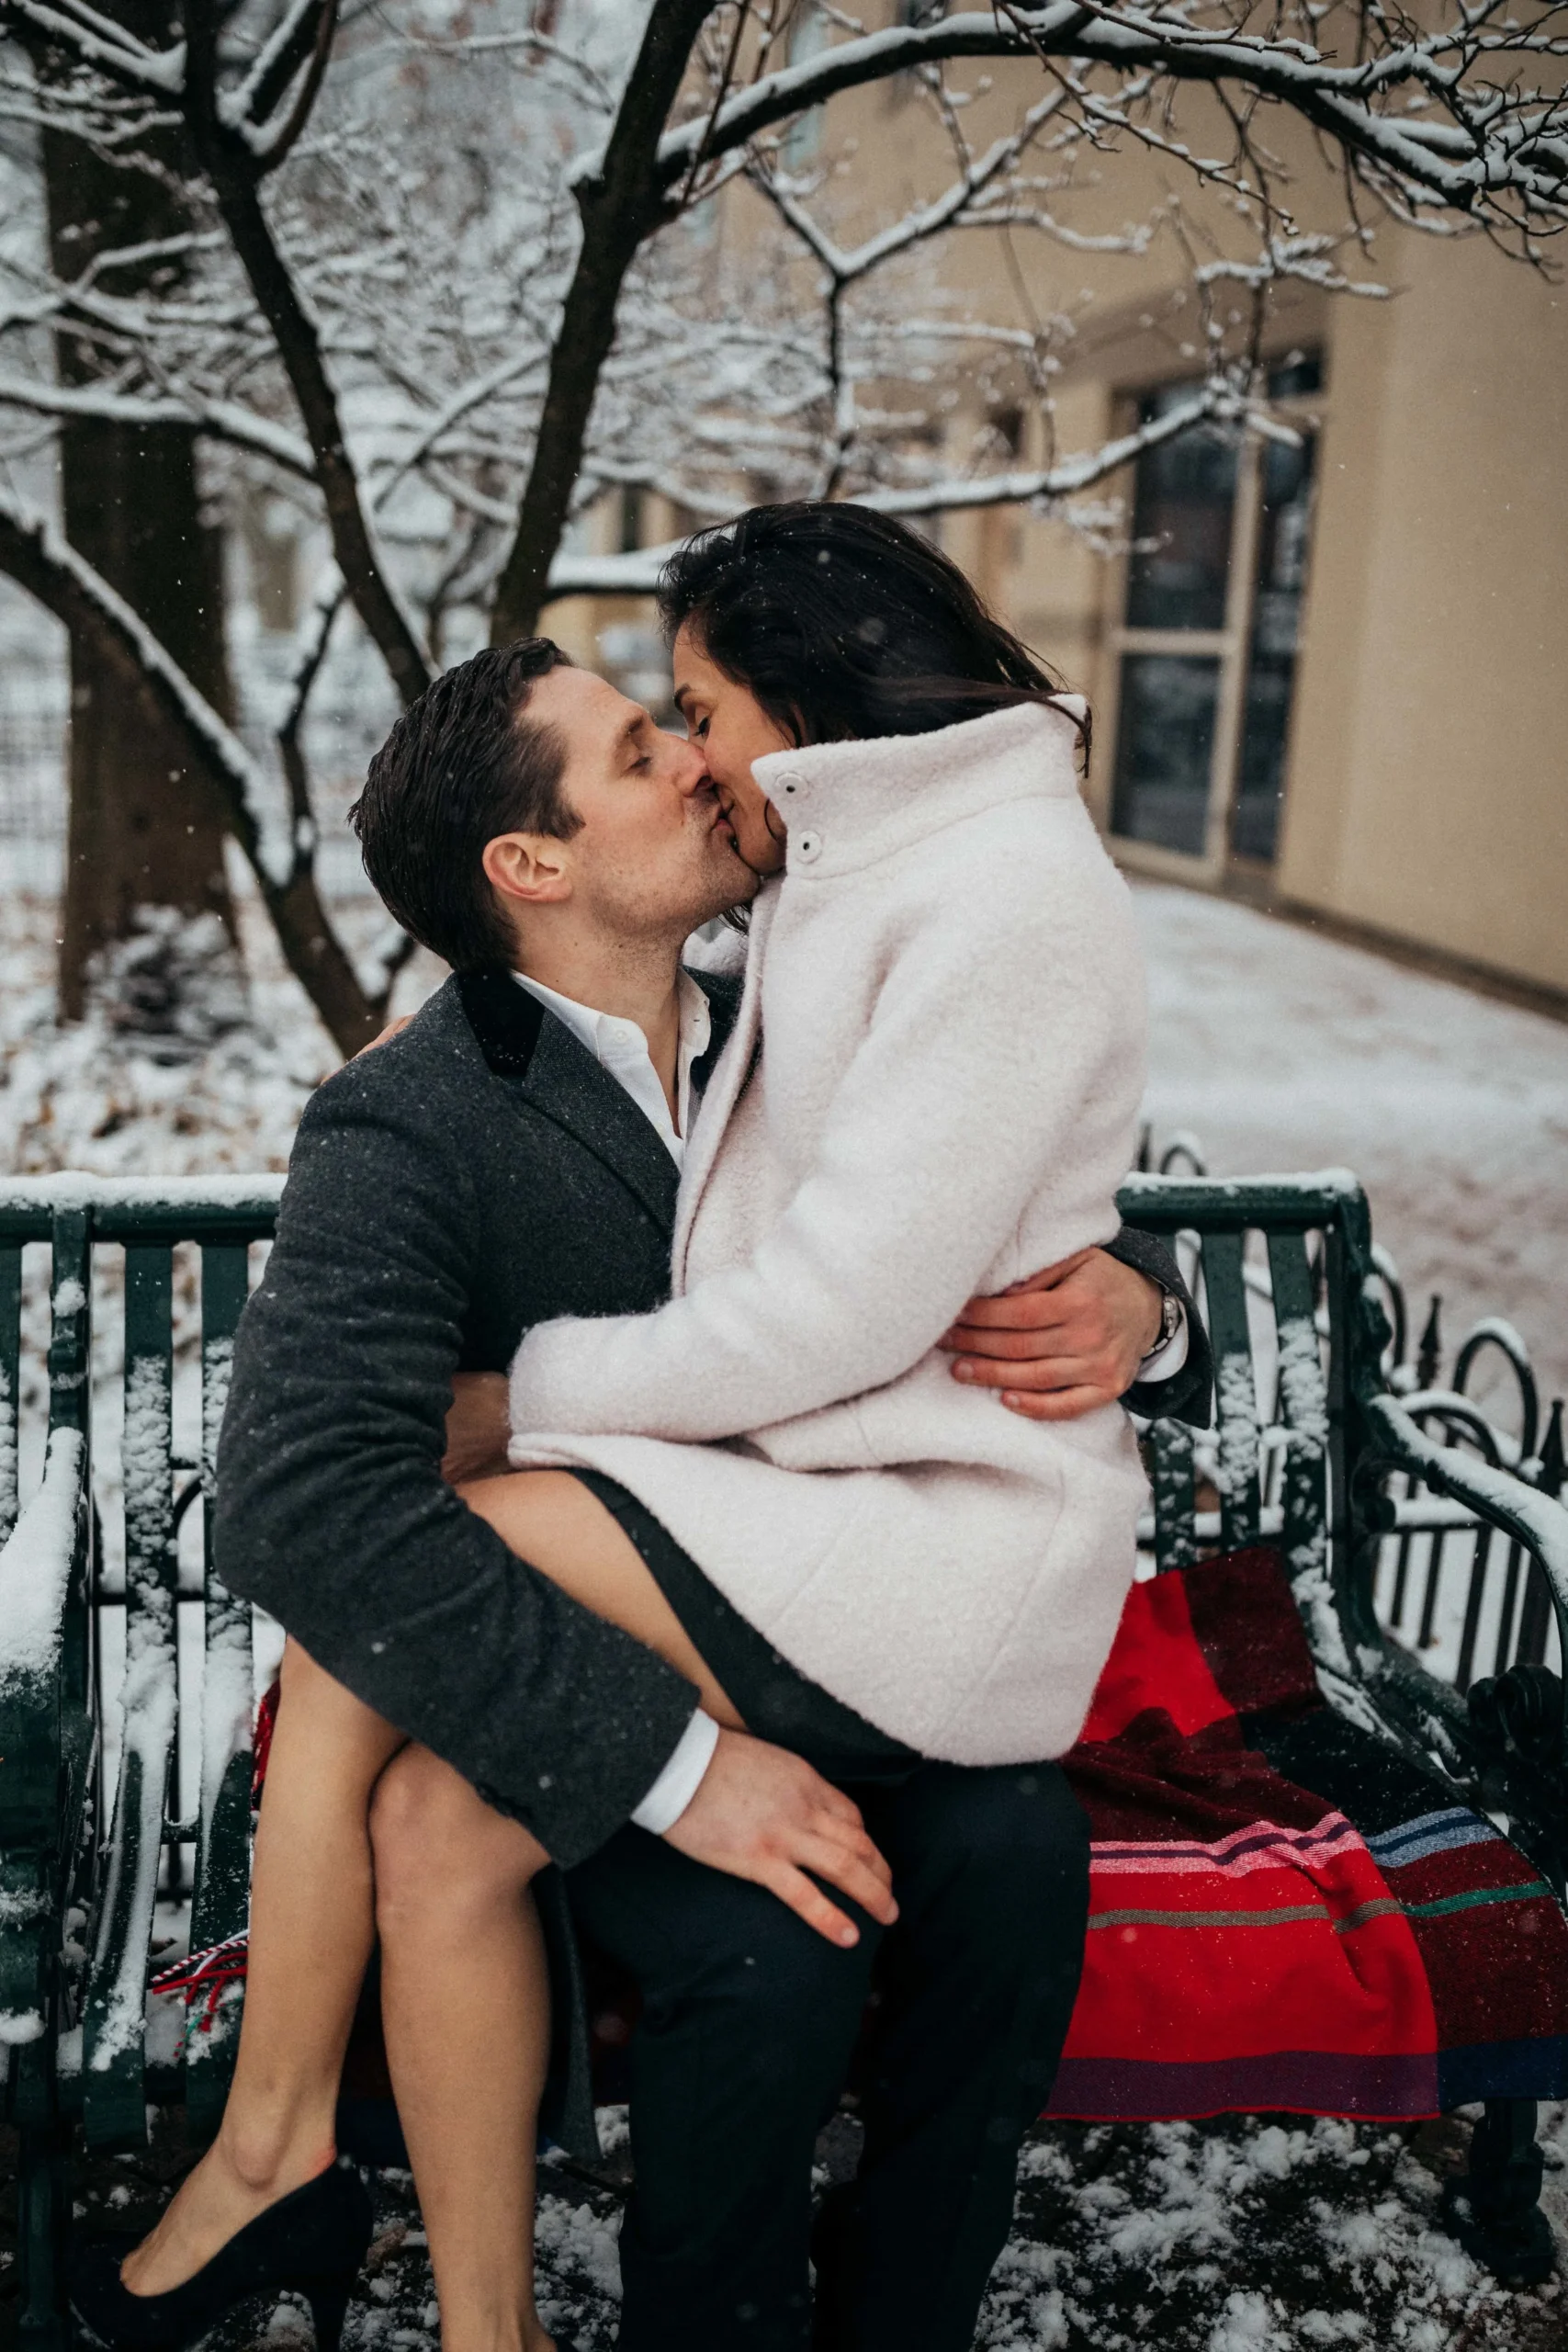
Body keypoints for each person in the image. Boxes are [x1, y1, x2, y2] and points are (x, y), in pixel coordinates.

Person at [74, 534, 1208, 2352]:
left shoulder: (791, 988)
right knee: (757, 1940)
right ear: (532, 865)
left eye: (684, 717)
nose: (699, 759)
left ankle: (896, 2301)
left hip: (863, 1581)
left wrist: (1145, 1299)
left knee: (1012, 1853)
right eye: (642, 744)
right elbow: (299, 1500)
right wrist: (679, 1768)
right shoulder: (413, 1115)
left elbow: (998, 1168)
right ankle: (497, 2274)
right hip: (601, 1668)